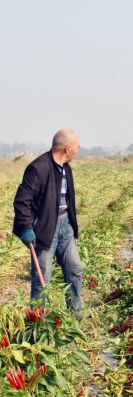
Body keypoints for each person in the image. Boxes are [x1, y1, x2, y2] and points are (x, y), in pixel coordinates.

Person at [13, 129, 84, 311]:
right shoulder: (38, 168)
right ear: (67, 148)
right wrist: (27, 227)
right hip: (45, 229)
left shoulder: (66, 168)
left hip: (65, 225)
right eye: (76, 146)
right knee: (42, 277)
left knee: (74, 268)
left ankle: (75, 313)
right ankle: (39, 321)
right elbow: (22, 201)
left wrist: (71, 225)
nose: (78, 150)